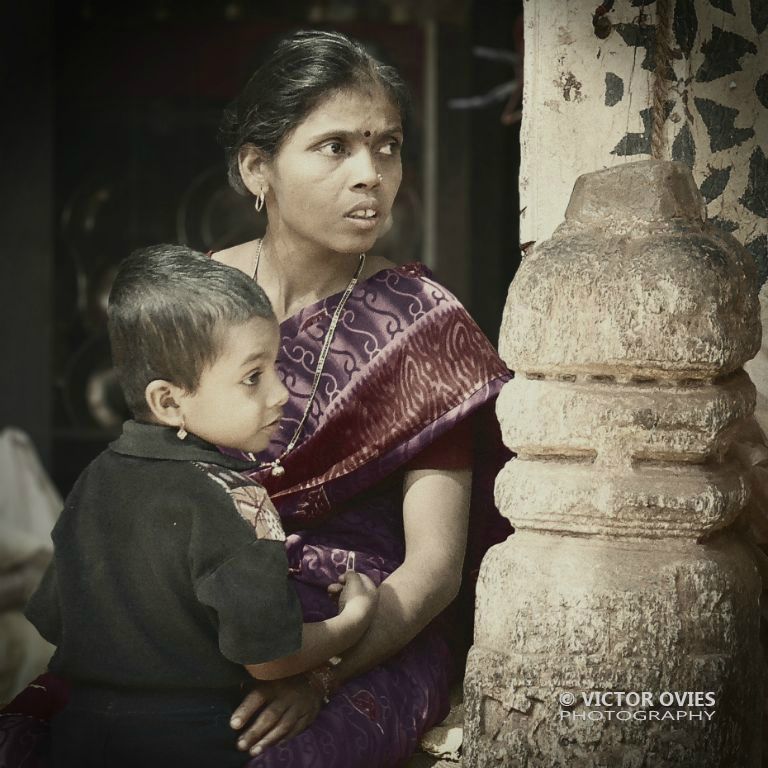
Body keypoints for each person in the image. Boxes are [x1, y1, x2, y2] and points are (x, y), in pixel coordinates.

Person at [0, 30, 512, 768]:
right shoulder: (196, 302)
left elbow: (431, 569)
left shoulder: (422, 327)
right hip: (195, 609)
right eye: (334, 146)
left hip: (359, 623)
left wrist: (323, 672)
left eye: (388, 145)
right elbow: (150, 488)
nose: (371, 173)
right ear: (256, 168)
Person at [23, 245, 380, 768]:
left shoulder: (93, 480)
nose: (281, 393)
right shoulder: (236, 497)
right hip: (193, 743)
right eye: (253, 376)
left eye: (275, 367)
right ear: (169, 400)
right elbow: (270, 659)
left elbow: (55, 618)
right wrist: (354, 619)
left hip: (76, 738)